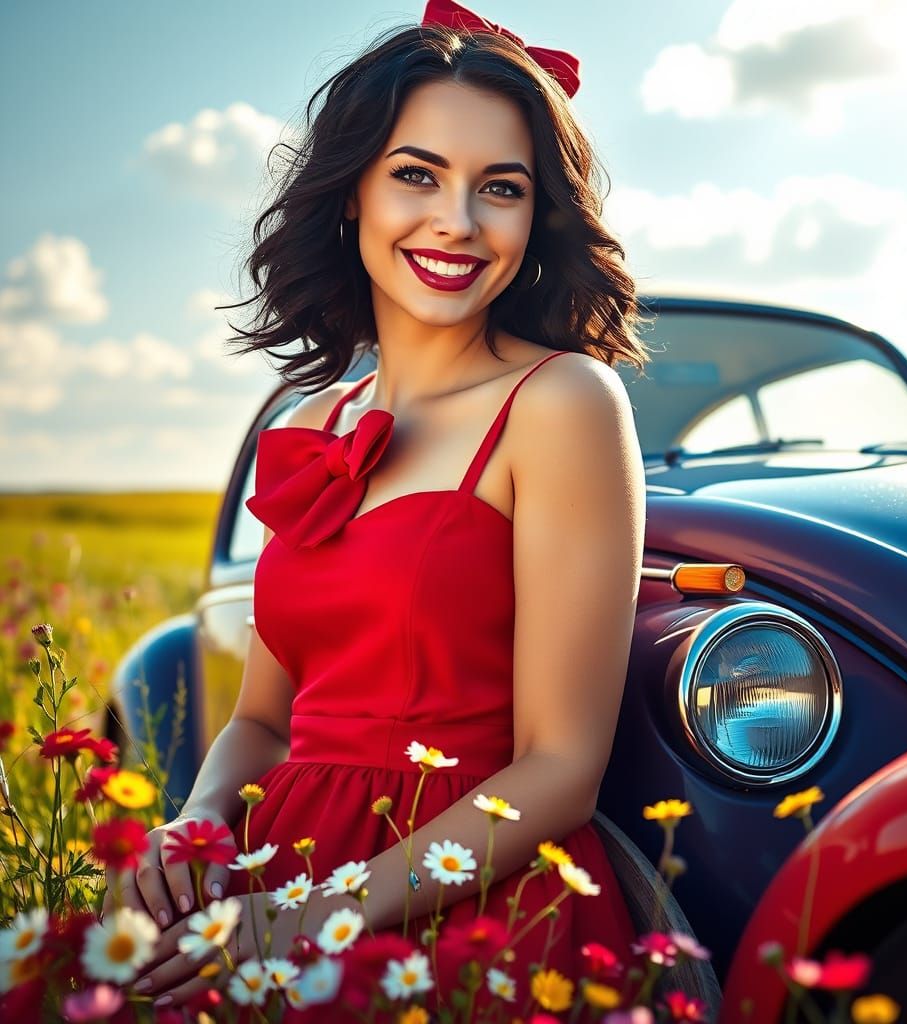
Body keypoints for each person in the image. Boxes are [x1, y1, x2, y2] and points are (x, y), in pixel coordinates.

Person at [103, 0, 652, 1015]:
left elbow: (563, 765)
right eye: (417, 174)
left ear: (536, 222)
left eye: (501, 188)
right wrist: (195, 824)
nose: (457, 220)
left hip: (459, 897)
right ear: (349, 193)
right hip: (270, 879)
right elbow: (266, 720)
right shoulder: (315, 417)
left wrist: (318, 917)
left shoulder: (562, 401)